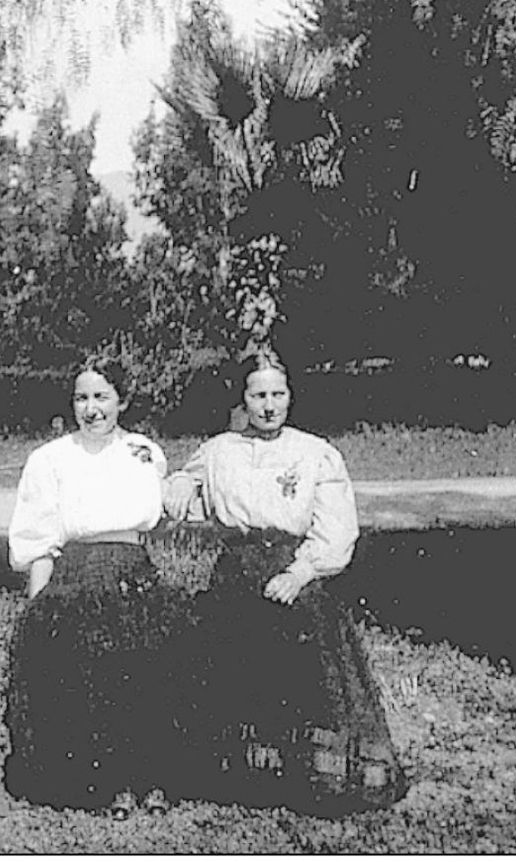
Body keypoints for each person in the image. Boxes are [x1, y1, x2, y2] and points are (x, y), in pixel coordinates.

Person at [162, 348, 407, 814]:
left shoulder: (314, 453)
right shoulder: (219, 451)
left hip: (294, 570)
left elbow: (336, 529)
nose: (269, 405)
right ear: (243, 400)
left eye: (278, 393)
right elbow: (183, 482)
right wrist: (179, 487)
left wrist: (300, 572)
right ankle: (243, 768)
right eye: (258, 395)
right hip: (235, 573)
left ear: (291, 395)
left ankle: (313, 769)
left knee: (308, 661)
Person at [3, 356, 178, 820]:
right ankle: (109, 780)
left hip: (132, 571)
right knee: (91, 674)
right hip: (77, 574)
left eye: (102, 397)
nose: (92, 409)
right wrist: (38, 607)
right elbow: (39, 538)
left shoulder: (145, 452)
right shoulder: (50, 460)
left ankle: (153, 776)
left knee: (146, 671)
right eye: (82, 397)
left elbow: (159, 515)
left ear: (122, 400)